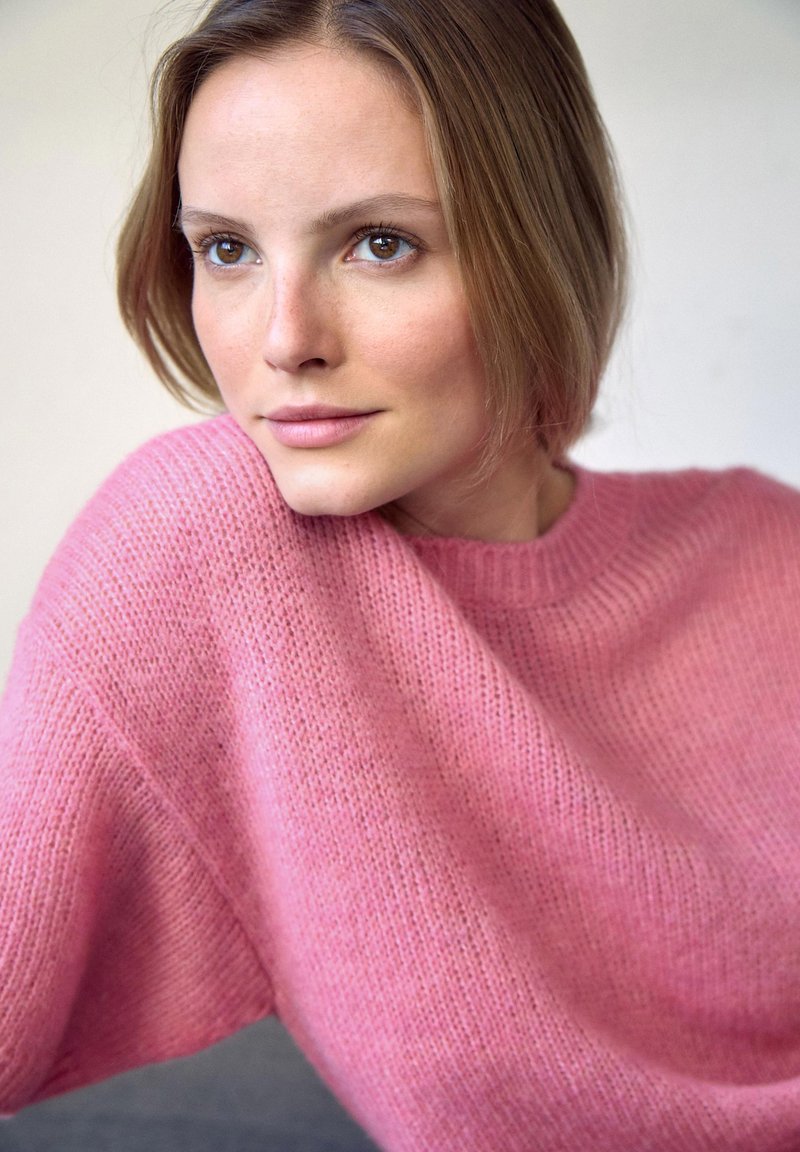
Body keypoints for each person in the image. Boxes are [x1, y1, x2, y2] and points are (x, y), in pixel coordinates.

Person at [1, 1, 798, 1149]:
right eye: (226, 249)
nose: (285, 340)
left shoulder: (765, 550)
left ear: (539, 244)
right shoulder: (201, 541)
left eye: (378, 243)